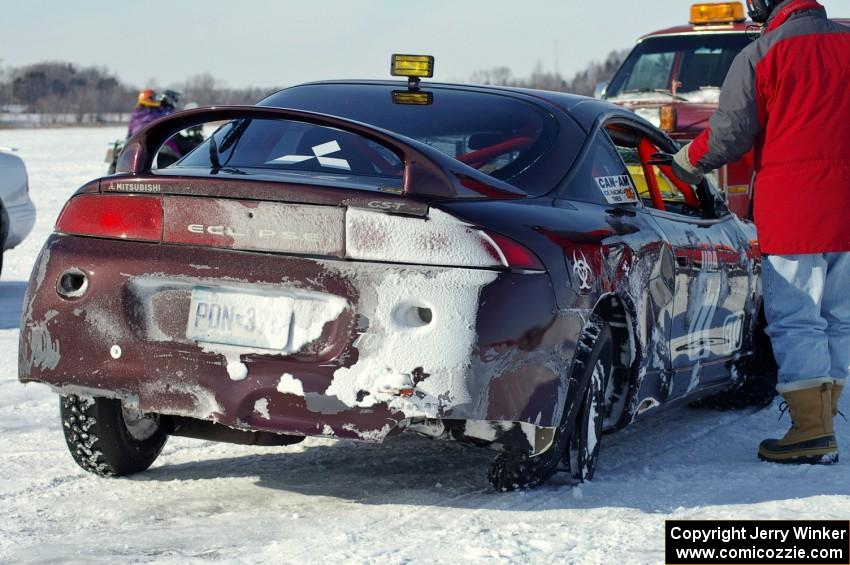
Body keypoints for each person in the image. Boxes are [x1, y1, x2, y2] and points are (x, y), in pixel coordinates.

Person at [672, 0, 850, 464]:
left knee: (796, 319)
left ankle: (811, 431)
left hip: (796, 209)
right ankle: (825, 421)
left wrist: (686, 163)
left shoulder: (762, 53)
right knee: (839, 318)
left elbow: (730, 133)